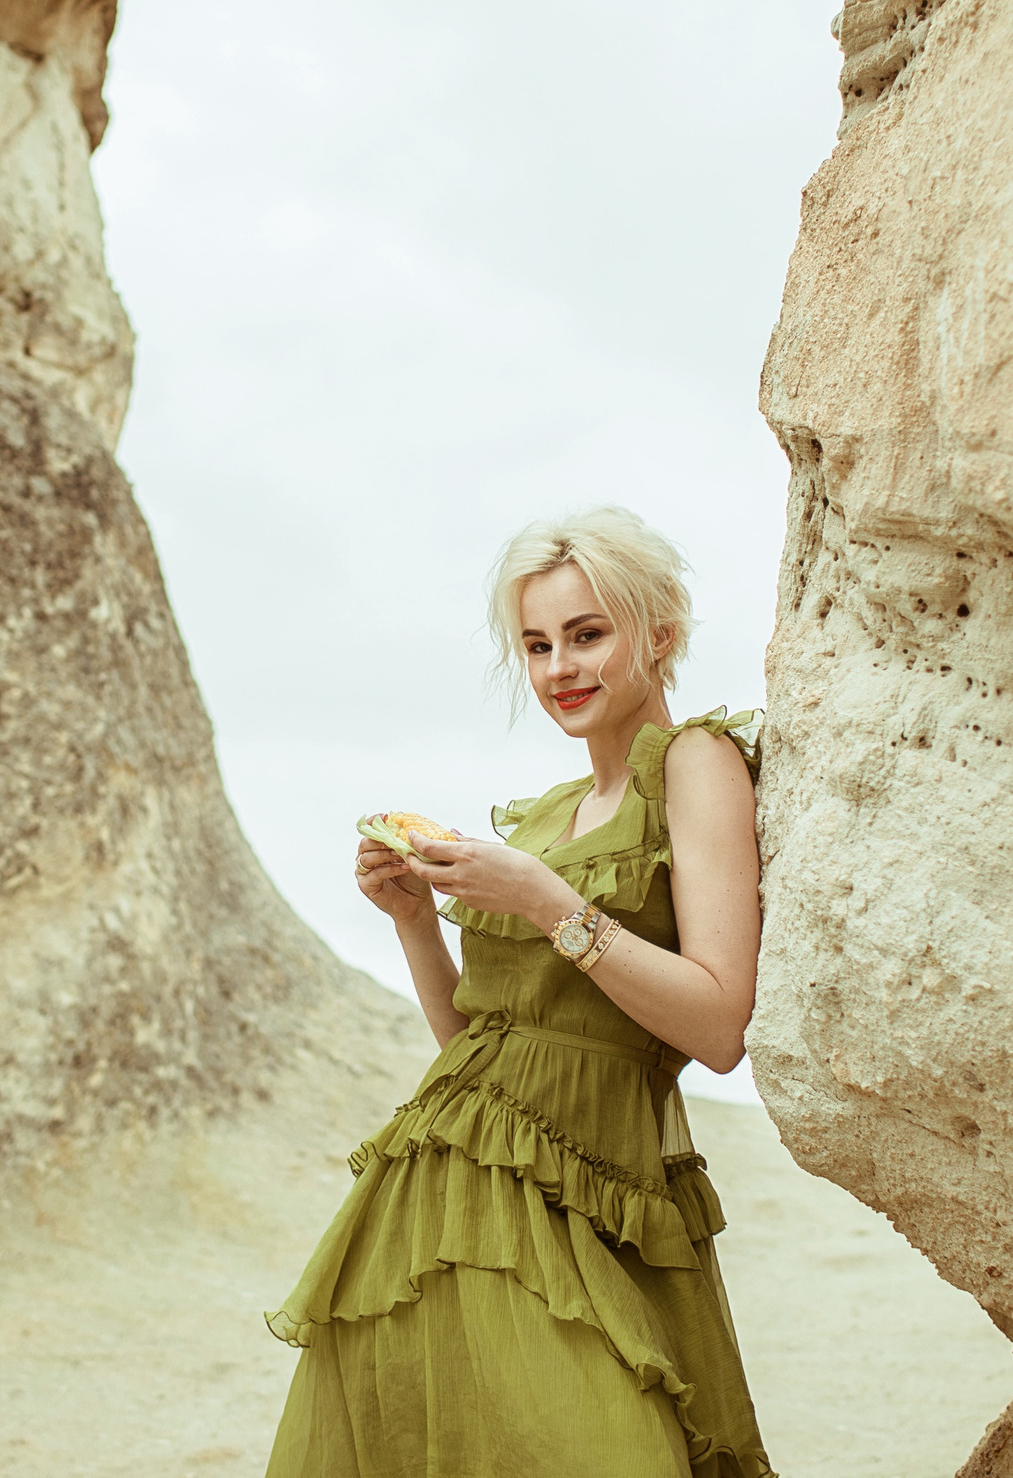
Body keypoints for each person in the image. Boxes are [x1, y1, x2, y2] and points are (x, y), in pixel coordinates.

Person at [264, 506, 774, 1477]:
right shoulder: (545, 818)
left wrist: (545, 903)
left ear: (658, 634)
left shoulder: (698, 765)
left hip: (600, 1200)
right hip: (448, 1201)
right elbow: (474, 1040)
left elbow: (717, 1025)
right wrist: (414, 919)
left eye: (587, 635)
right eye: (536, 645)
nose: (557, 669)